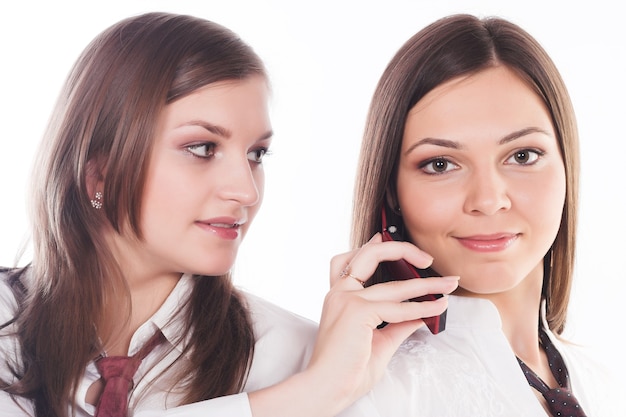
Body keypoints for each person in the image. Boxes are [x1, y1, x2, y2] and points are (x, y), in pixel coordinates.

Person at [0, 12, 459, 417]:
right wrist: (305, 399)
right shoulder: (313, 387)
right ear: (98, 173)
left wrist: (321, 387)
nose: (245, 190)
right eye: (202, 148)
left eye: (257, 154)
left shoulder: (304, 357)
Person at [344, 13, 618, 416]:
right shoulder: (377, 389)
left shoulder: (606, 381)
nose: (488, 200)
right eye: (440, 164)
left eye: (522, 156)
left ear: (566, 166)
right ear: (391, 189)